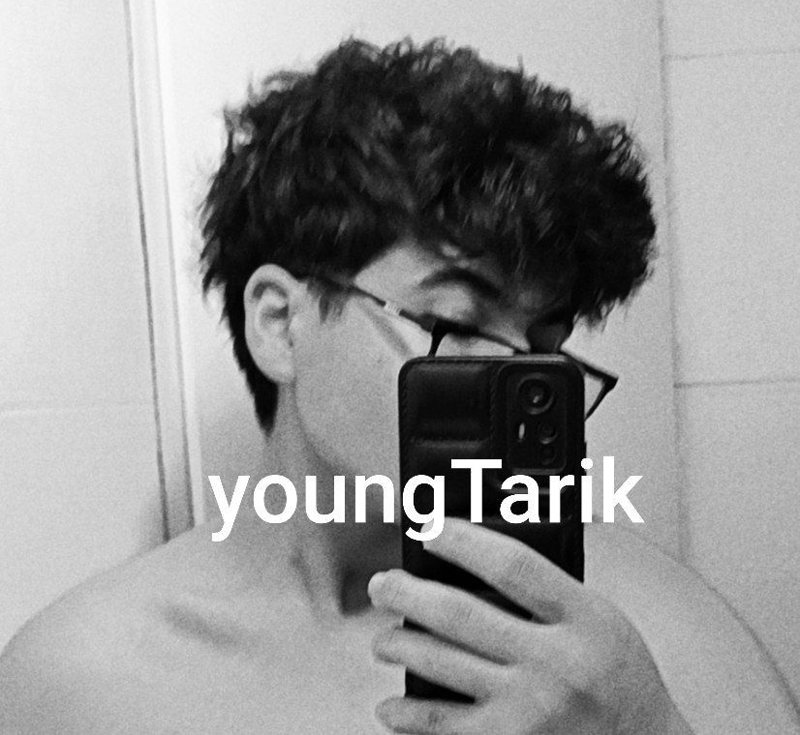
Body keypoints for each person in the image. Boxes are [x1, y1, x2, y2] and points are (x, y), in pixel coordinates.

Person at [0, 38, 695, 733]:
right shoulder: (83, 682)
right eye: (455, 323)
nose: (509, 381)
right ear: (280, 324)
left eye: (544, 350)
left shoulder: (633, 637)